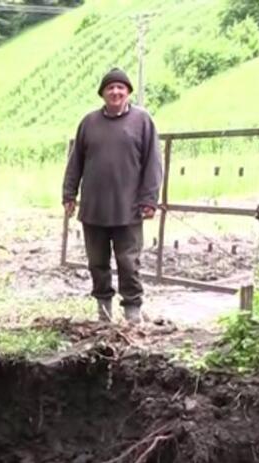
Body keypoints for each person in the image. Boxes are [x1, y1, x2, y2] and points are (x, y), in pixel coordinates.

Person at [62, 67, 163, 324]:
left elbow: (153, 163)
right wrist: (69, 194)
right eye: (110, 88)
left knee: (129, 262)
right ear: (103, 94)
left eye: (121, 88)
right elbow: (76, 162)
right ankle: (104, 313)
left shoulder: (142, 121)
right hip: (94, 208)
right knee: (97, 262)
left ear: (128, 92)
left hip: (128, 209)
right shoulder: (89, 123)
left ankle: (132, 313)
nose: (115, 92)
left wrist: (150, 199)